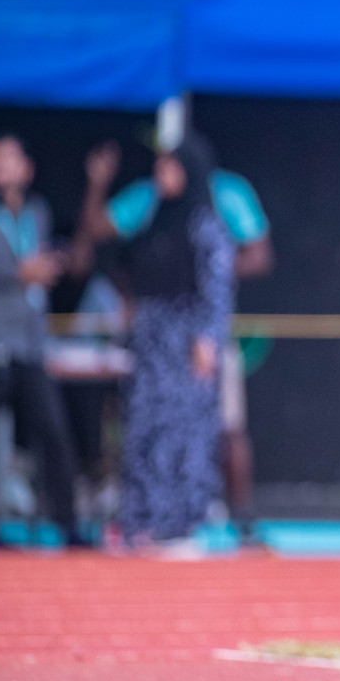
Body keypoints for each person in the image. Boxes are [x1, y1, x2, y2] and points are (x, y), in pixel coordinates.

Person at [81, 139, 272, 545]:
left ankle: (183, 521)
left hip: (190, 341)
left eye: (170, 169)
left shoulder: (207, 220)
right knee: (145, 430)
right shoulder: (155, 215)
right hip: (153, 340)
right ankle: (142, 522)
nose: (161, 177)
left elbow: (218, 287)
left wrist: (207, 337)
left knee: (188, 431)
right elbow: (118, 254)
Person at [0, 135, 86, 549]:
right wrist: (18, 275)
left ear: (26, 167)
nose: (0, 168)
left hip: (31, 340)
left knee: (54, 430)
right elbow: (13, 272)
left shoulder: (38, 212)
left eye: (8, 160)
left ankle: (68, 523)